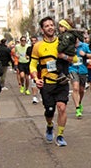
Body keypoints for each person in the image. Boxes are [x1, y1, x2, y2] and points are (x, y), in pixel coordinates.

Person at [29, 17, 73, 145]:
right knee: (49, 111)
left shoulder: (62, 42)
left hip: (62, 81)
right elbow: (32, 64)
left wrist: (65, 56)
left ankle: (60, 135)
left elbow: (73, 58)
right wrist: (36, 78)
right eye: (47, 26)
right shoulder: (38, 46)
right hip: (47, 83)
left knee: (62, 107)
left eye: (52, 25)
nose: (50, 27)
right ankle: (49, 125)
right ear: (42, 29)